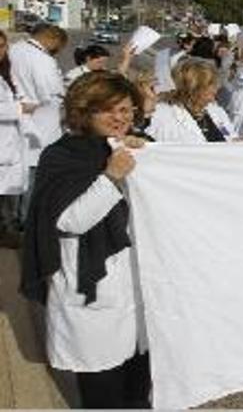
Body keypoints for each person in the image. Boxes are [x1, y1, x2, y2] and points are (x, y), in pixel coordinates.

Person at [18, 70, 150, 408]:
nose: (120, 118)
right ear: (84, 111)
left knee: (138, 391)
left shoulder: (127, 149)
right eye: (109, 110)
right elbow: (71, 220)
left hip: (135, 294)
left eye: (126, 109)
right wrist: (111, 177)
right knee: (103, 394)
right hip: (91, 292)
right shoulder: (61, 156)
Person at [8, 23, 68, 226]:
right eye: (59, 45)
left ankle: (11, 219)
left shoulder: (13, 50)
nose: (58, 50)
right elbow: (52, 92)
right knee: (32, 177)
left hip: (14, 121)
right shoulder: (43, 60)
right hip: (40, 124)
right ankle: (25, 222)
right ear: (52, 39)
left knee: (14, 173)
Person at [0, 29, 38, 245]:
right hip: (4, 143)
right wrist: (19, 108)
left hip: (10, 143)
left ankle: (8, 232)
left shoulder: (6, 72)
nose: (1, 51)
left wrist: (22, 102)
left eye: (4, 46)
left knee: (8, 196)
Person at [146, 58, 237, 143]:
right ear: (192, 89)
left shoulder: (216, 111)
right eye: (210, 86)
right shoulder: (161, 114)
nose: (215, 91)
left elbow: (230, 141)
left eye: (214, 85)